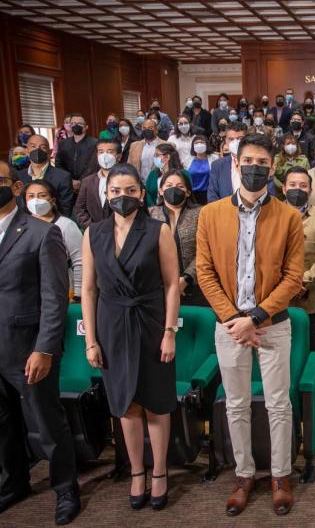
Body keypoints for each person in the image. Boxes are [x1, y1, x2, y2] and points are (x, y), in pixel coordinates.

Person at [196, 133, 303, 517]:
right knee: (237, 403)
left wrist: (256, 317)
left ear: (272, 169)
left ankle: (280, 476)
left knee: (278, 404)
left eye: (262, 163)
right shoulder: (210, 214)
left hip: (272, 324)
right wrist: (233, 319)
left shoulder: (289, 216)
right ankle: (243, 475)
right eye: (248, 162)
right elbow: (204, 272)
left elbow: (293, 277)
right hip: (229, 326)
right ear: (235, 164)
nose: (254, 168)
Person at [80, 162, 180, 512]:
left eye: (130, 191)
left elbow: (172, 285)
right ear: (106, 194)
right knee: (126, 405)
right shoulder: (93, 233)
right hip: (112, 325)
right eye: (116, 191)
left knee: (156, 402)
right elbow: (88, 290)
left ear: (141, 193)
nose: (123, 196)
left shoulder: (157, 230)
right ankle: (137, 471)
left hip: (151, 321)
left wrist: (169, 331)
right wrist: (90, 340)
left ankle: (160, 472)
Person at [0, 161, 81, 525]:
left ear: (16, 187)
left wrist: (44, 348)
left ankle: (66, 488)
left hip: (29, 348)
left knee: (47, 423)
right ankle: (14, 482)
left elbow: (54, 298)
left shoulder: (41, 233)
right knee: (4, 425)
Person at [283, 166, 315, 413]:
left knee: (312, 349)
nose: (297, 190)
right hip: (279, 298)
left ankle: (313, 395)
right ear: (283, 188)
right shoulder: (270, 215)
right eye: (293, 185)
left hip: (311, 296)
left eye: (303, 186)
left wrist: (304, 280)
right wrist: (288, 284)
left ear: (310, 190)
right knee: (284, 351)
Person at [149, 170, 206, 307]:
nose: (174, 189)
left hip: (194, 285)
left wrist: (187, 279)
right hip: (158, 287)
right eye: (169, 186)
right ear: (161, 191)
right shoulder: (150, 214)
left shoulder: (201, 213)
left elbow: (205, 251)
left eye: (180, 186)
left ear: (188, 192)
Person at [24, 179, 83, 298]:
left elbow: (79, 261)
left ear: (53, 200)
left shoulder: (66, 225)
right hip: (27, 291)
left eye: (42, 195)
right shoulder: (20, 226)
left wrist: (78, 293)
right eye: (31, 196)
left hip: (61, 288)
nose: (36, 200)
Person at [18, 135, 74, 216]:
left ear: (49, 152)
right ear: (27, 151)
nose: (37, 150)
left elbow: (65, 210)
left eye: (43, 147)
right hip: (24, 221)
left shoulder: (63, 177)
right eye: (33, 146)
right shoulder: (18, 176)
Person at [75, 139, 121, 229]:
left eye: (109, 152)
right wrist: (92, 228)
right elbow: (80, 209)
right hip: (94, 231)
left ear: (119, 156)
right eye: (101, 152)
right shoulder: (87, 181)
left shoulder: (128, 180)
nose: (104, 156)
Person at [55, 114, 98, 193]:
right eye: (73, 123)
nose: (76, 125)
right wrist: (69, 180)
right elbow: (58, 163)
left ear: (86, 127)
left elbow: (94, 166)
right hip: (67, 185)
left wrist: (80, 181)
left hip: (88, 184)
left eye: (80, 123)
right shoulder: (63, 143)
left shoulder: (95, 143)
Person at [127, 118, 160, 183]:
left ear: (156, 130)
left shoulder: (166, 145)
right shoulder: (134, 145)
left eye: (150, 128)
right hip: (138, 183)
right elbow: (129, 166)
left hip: (157, 183)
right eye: (144, 128)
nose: (147, 130)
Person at [186, 134, 217, 205]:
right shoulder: (187, 159)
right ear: (193, 146)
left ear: (206, 144)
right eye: (196, 143)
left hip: (209, 193)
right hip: (192, 194)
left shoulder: (214, 158)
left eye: (202, 142)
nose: (199, 145)